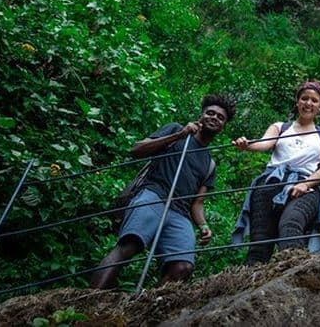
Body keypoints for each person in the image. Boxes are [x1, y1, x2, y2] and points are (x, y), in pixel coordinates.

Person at [91, 94, 236, 289]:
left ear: (223, 126)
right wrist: (179, 135)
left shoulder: (209, 164)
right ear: (201, 115)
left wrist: (203, 226)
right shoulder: (176, 130)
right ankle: (89, 303)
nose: (214, 118)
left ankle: (145, 310)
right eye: (210, 113)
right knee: (129, 245)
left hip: (180, 213)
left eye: (220, 117)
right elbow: (137, 149)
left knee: (182, 267)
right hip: (153, 195)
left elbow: (197, 203)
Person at [232, 80, 320, 264]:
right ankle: (253, 284)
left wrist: (305, 184)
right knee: (260, 242)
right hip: (270, 182)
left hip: (306, 185)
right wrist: (247, 145)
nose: (308, 103)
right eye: (304, 98)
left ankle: (294, 275)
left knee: (291, 225)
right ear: (297, 102)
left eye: (314, 100)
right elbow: (265, 143)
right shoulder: (280, 127)